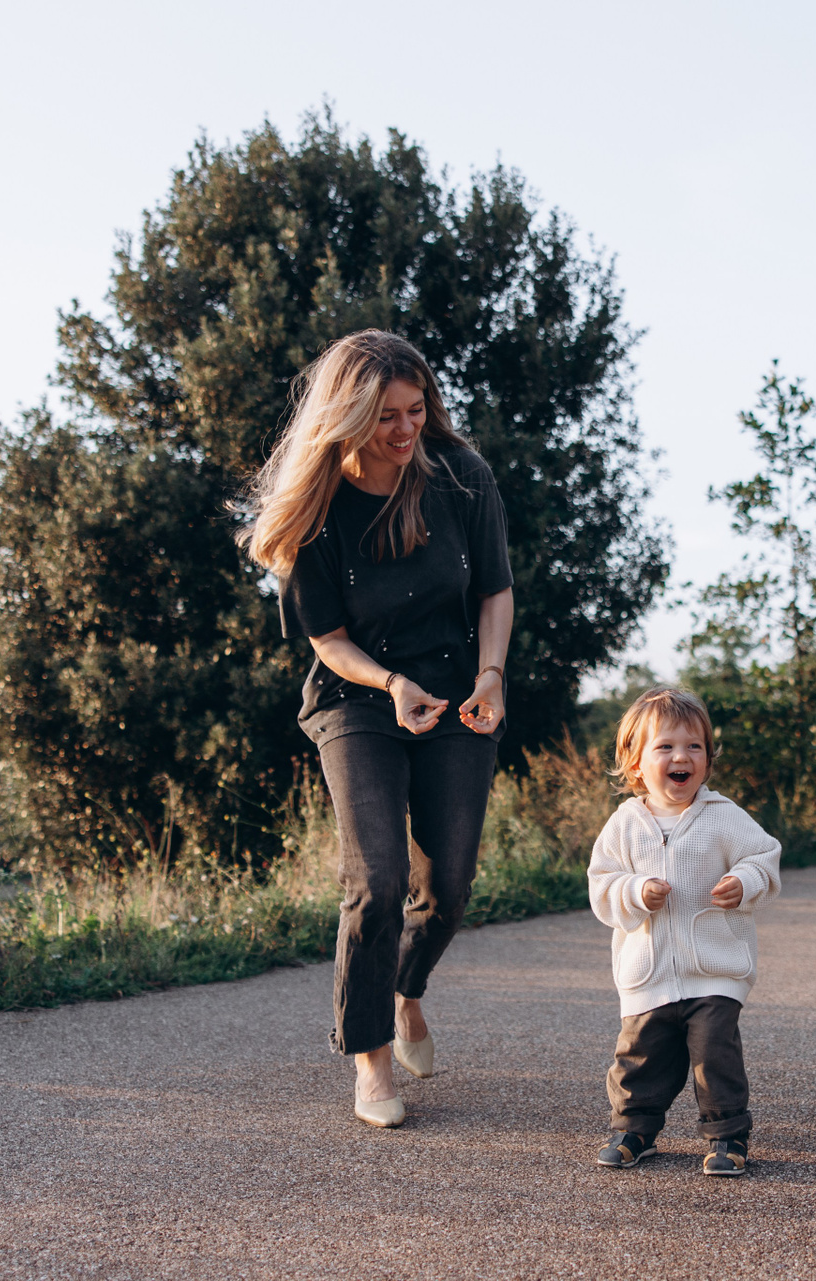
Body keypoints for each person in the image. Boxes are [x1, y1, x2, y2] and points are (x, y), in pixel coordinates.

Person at [240, 329, 514, 1129]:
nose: (405, 429)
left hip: (460, 691)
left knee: (449, 886)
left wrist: (491, 674)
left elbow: (495, 590)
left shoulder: (461, 475)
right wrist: (392, 683)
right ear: (347, 416)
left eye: (415, 409)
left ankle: (405, 989)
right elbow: (328, 640)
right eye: (386, 416)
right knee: (378, 880)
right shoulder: (317, 508)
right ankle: (370, 1059)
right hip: (358, 700)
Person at [587, 686, 783, 1176]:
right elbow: (602, 884)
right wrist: (635, 890)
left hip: (713, 968)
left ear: (708, 759)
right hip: (648, 972)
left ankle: (727, 1134)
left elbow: (763, 857)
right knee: (638, 1056)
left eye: (695, 746)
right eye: (666, 746)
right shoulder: (624, 825)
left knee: (715, 1053)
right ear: (636, 763)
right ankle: (633, 1130)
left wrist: (744, 881)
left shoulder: (723, 816)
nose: (682, 757)